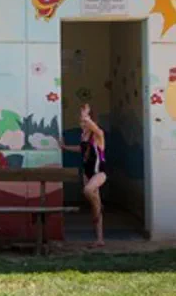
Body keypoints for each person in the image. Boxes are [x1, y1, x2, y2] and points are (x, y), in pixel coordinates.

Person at [58, 103, 107, 248]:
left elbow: (95, 128)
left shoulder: (98, 135)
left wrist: (86, 115)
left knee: (87, 191)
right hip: (87, 172)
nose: (82, 123)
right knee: (94, 210)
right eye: (81, 121)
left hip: (99, 173)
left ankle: (99, 206)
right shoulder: (84, 138)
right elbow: (81, 149)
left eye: (85, 121)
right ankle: (99, 239)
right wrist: (65, 147)